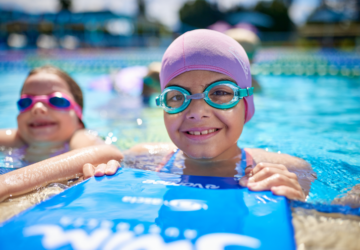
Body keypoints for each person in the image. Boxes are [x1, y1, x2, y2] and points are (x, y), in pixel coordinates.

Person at [86, 29, 314, 201]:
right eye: (176, 97)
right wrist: (92, 176)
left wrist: (298, 207)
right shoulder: (141, 159)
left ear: (247, 103)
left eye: (220, 93)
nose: (197, 113)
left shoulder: (292, 170)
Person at [0, 65, 123, 201]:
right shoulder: (17, 139)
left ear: (78, 119)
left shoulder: (77, 136)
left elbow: (107, 152)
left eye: (56, 101)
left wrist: (7, 183)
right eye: (26, 102)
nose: (38, 108)